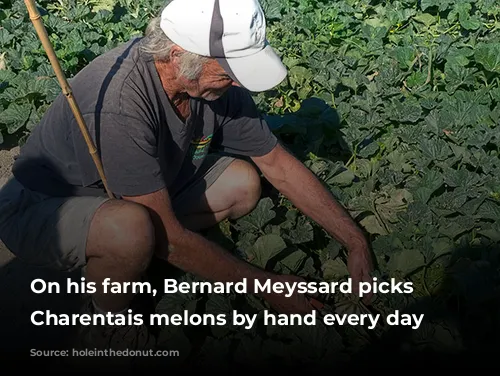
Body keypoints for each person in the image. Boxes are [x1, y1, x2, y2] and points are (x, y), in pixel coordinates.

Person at [0, 0, 373, 368]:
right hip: (42, 208)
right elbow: (169, 235)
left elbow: (277, 163)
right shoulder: (120, 101)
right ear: (179, 54)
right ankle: (105, 319)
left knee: (243, 183)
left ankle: (135, 256)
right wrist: (265, 285)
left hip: (144, 189)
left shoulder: (212, 85)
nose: (238, 81)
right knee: (131, 230)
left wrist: (354, 240)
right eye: (229, 70)